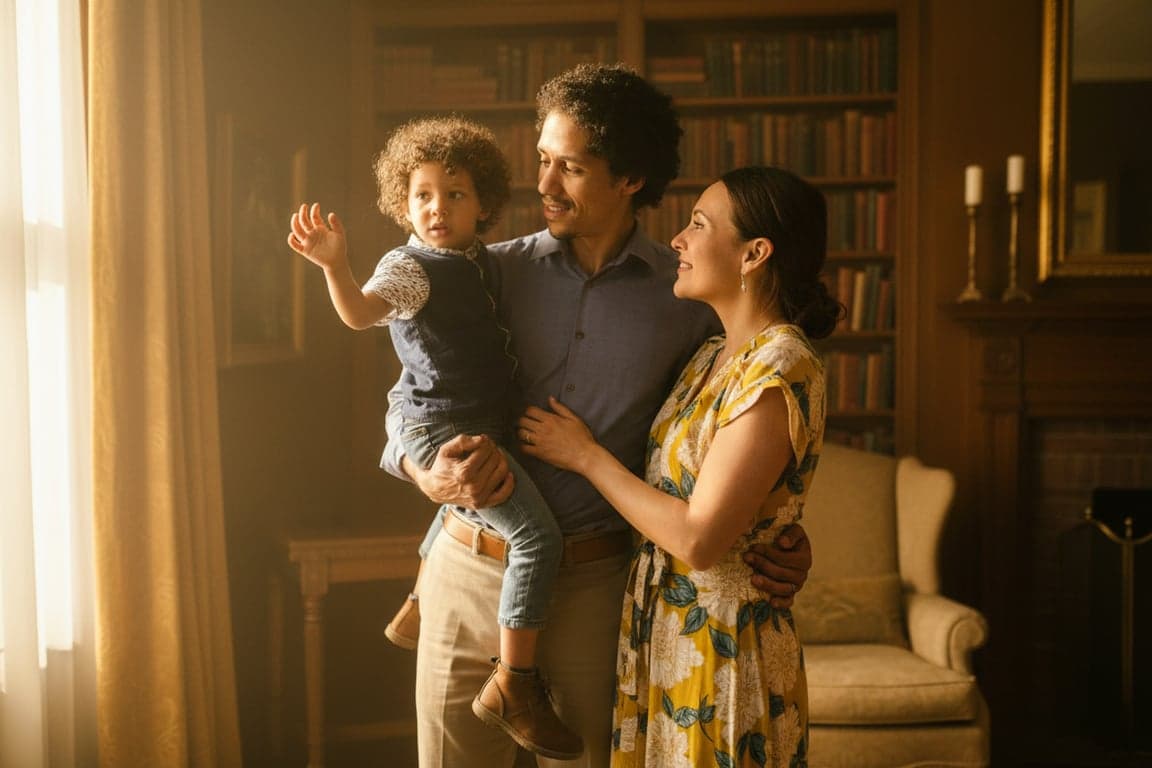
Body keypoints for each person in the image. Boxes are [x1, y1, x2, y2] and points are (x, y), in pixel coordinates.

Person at [380, 64, 815, 768]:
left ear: (629, 178)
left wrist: (782, 531)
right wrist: (419, 467)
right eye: (544, 161)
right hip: (466, 568)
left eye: (571, 168)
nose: (545, 185)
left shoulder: (686, 301)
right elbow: (412, 390)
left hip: (594, 589)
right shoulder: (487, 271)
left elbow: (716, 435)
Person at [519, 165, 840, 766]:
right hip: (664, 632)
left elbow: (698, 537)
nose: (678, 241)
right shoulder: (711, 355)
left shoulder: (780, 365)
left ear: (754, 254)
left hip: (724, 650)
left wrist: (585, 456)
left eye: (698, 224)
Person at [286, 115, 583, 759]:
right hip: (442, 429)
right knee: (535, 537)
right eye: (421, 194)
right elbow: (362, 313)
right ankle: (516, 684)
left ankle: (418, 603)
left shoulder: (479, 261)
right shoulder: (410, 266)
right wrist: (336, 267)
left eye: (454, 194)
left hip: (465, 422)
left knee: (464, 505)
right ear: (403, 203)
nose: (436, 208)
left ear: (484, 207)